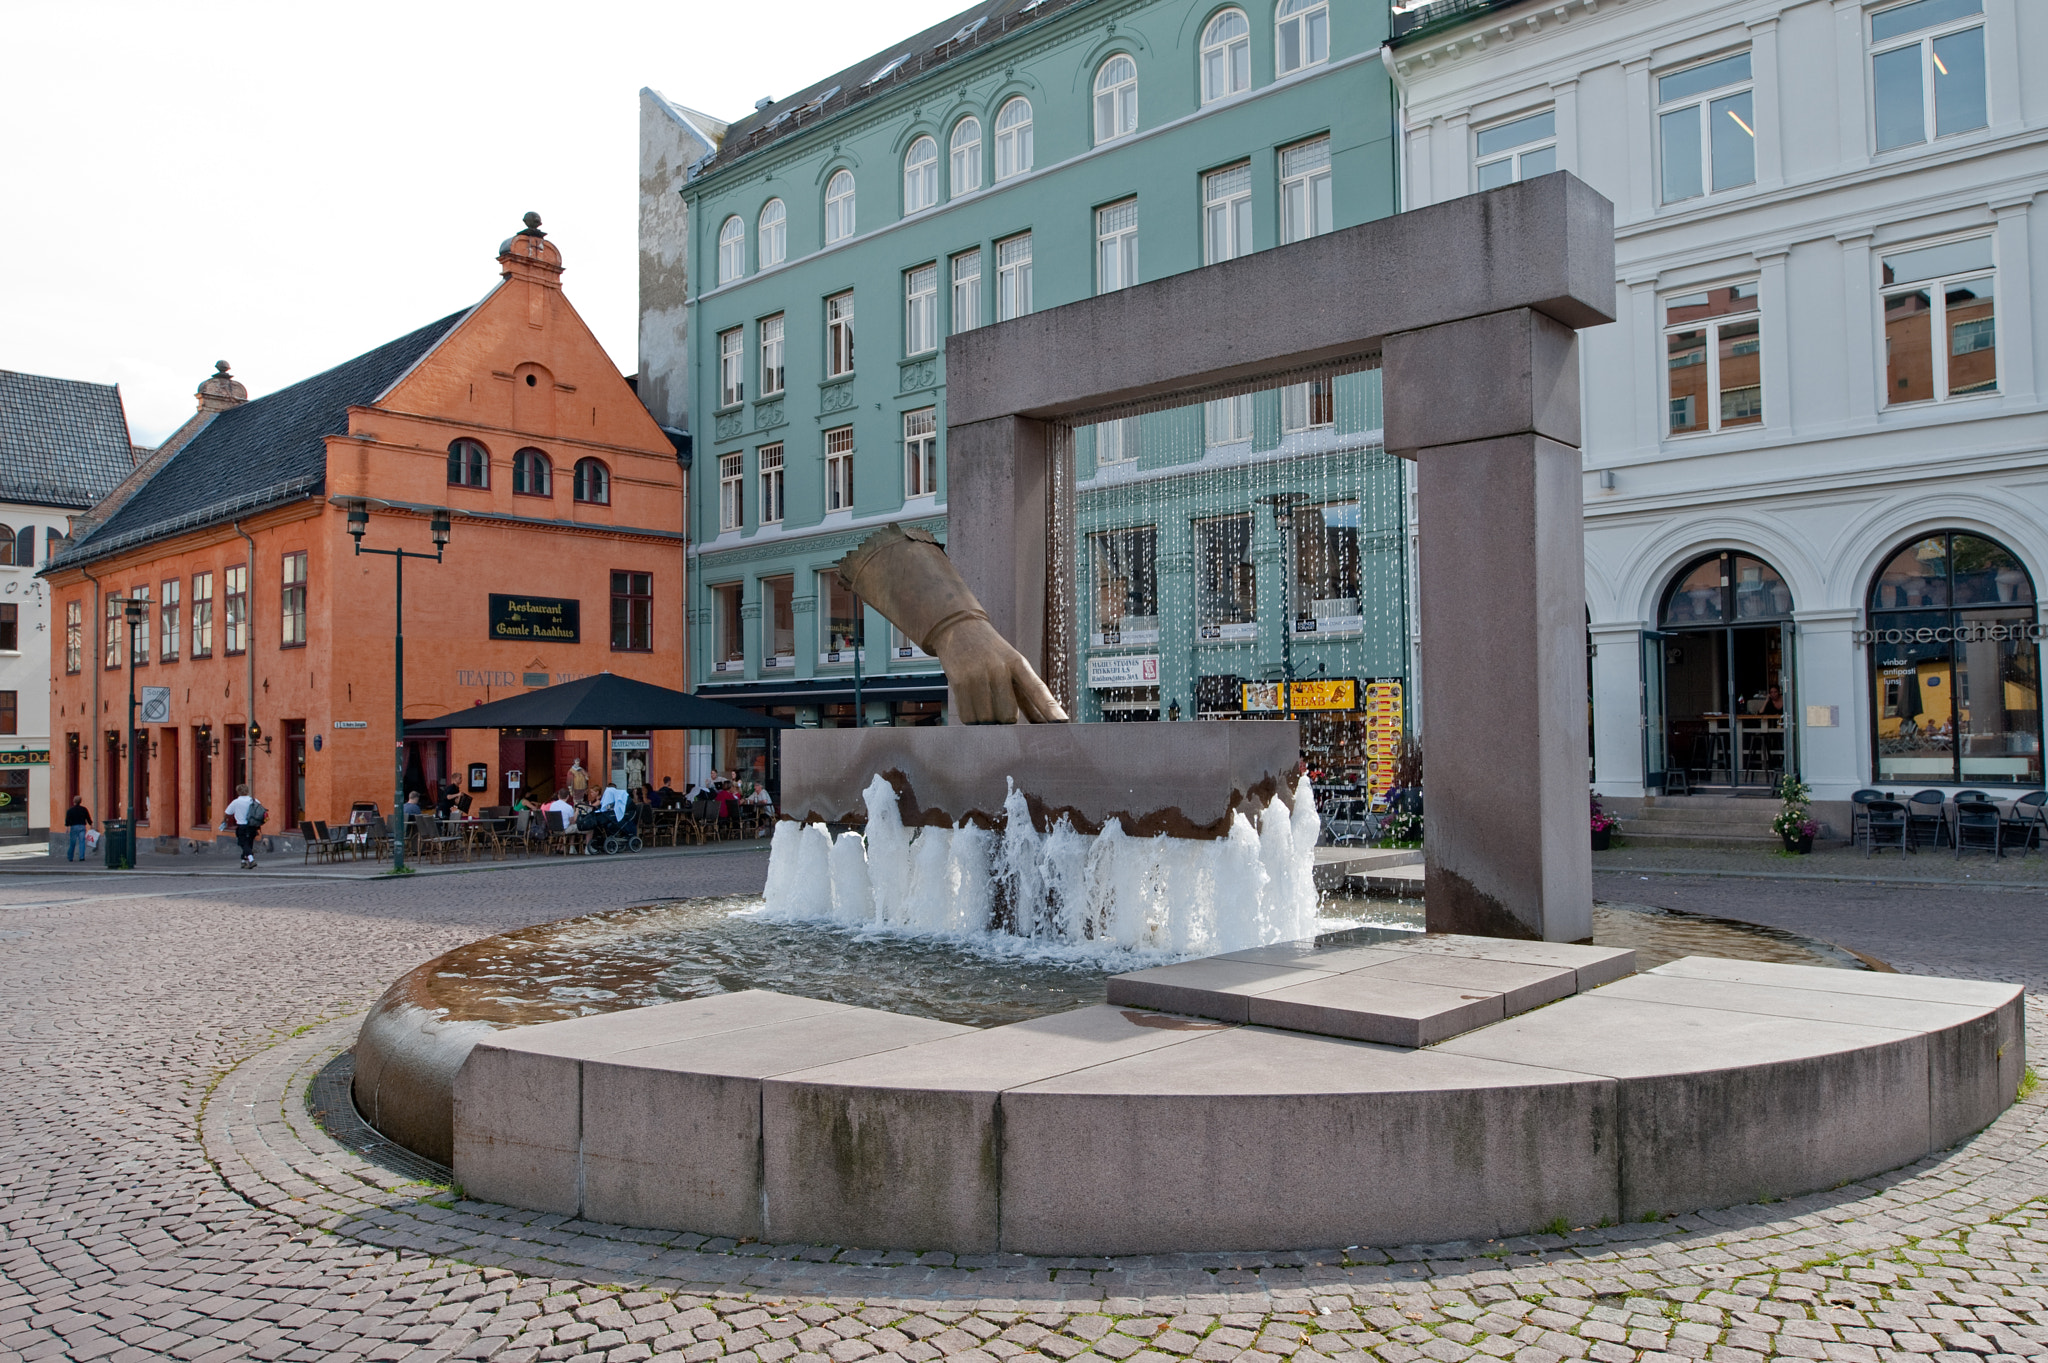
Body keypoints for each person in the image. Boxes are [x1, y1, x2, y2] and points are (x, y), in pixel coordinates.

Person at [221, 783, 264, 869]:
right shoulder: (253, 800)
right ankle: (243, 861)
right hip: (252, 825)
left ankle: (251, 860)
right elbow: (260, 810)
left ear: (238, 792)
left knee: (243, 843)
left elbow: (227, 813)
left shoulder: (236, 802)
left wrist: (224, 820)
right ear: (247, 791)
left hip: (242, 826)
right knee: (249, 843)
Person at [63, 796, 93, 862]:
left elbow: (67, 820)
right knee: (82, 842)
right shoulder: (84, 809)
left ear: (74, 801)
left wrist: (67, 827)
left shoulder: (70, 810)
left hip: (74, 827)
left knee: (72, 843)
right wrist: (91, 824)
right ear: (80, 801)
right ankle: (81, 857)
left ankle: (70, 857)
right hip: (82, 826)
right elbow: (88, 817)